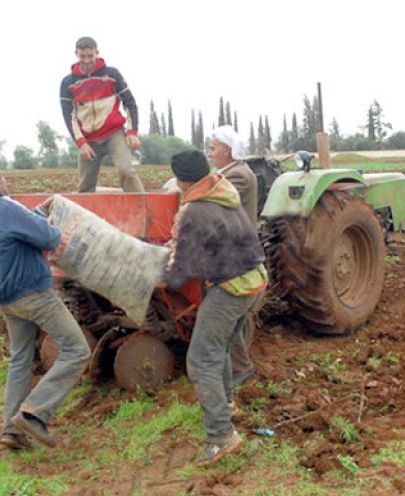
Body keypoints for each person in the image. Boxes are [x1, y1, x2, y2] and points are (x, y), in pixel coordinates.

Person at [0, 160, 91, 450]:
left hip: (5, 298)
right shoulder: (6, 206)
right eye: (3, 176)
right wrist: (46, 220)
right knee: (77, 350)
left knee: (20, 358)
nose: (5, 180)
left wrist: (36, 212)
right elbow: (49, 237)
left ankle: (11, 429)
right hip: (33, 294)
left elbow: (13, 233)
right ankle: (35, 414)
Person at [164, 149, 268, 466]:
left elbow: (183, 269)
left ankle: (221, 435)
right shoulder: (223, 191)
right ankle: (226, 403)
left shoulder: (195, 210)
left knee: (199, 360)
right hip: (254, 279)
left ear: (180, 179)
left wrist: (159, 273)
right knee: (219, 346)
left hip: (231, 287)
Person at [207, 125, 259, 386]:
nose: (209, 153)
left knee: (228, 314)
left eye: (213, 148)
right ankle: (238, 368)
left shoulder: (239, 176)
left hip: (237, 255)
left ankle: (235, 370)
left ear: (227, 150)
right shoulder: (226, 173)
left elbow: (213, 202)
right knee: (230, 317)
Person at [59, 36, 145, 194]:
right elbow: (68, 116)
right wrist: (81, 143)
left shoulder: (111, 74)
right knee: (85, 185)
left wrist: (132, 132)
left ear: (97, 53)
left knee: (125, 171)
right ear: (76, 54)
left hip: (113, 133)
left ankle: (144, 211)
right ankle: (84, 216)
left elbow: (130, 103)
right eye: (82, 56)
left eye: (90, 56)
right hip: (88, 139)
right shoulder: (68, 83)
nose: (86, 60)